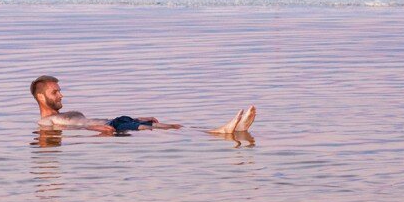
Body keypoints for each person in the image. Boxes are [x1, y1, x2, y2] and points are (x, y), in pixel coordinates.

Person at [30, 75, 255, 135]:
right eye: (55, 91)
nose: (61, 94)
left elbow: (83, 121)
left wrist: (137, 117)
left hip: (114, 121)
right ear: (41, 97)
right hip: (110, 128)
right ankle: (221, 132)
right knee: (151, 130)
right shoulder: (47, 121)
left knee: (170, 126)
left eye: (59, 90)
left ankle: (228, 130)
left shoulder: (73, 112)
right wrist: (97, 129)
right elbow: (73, 128)